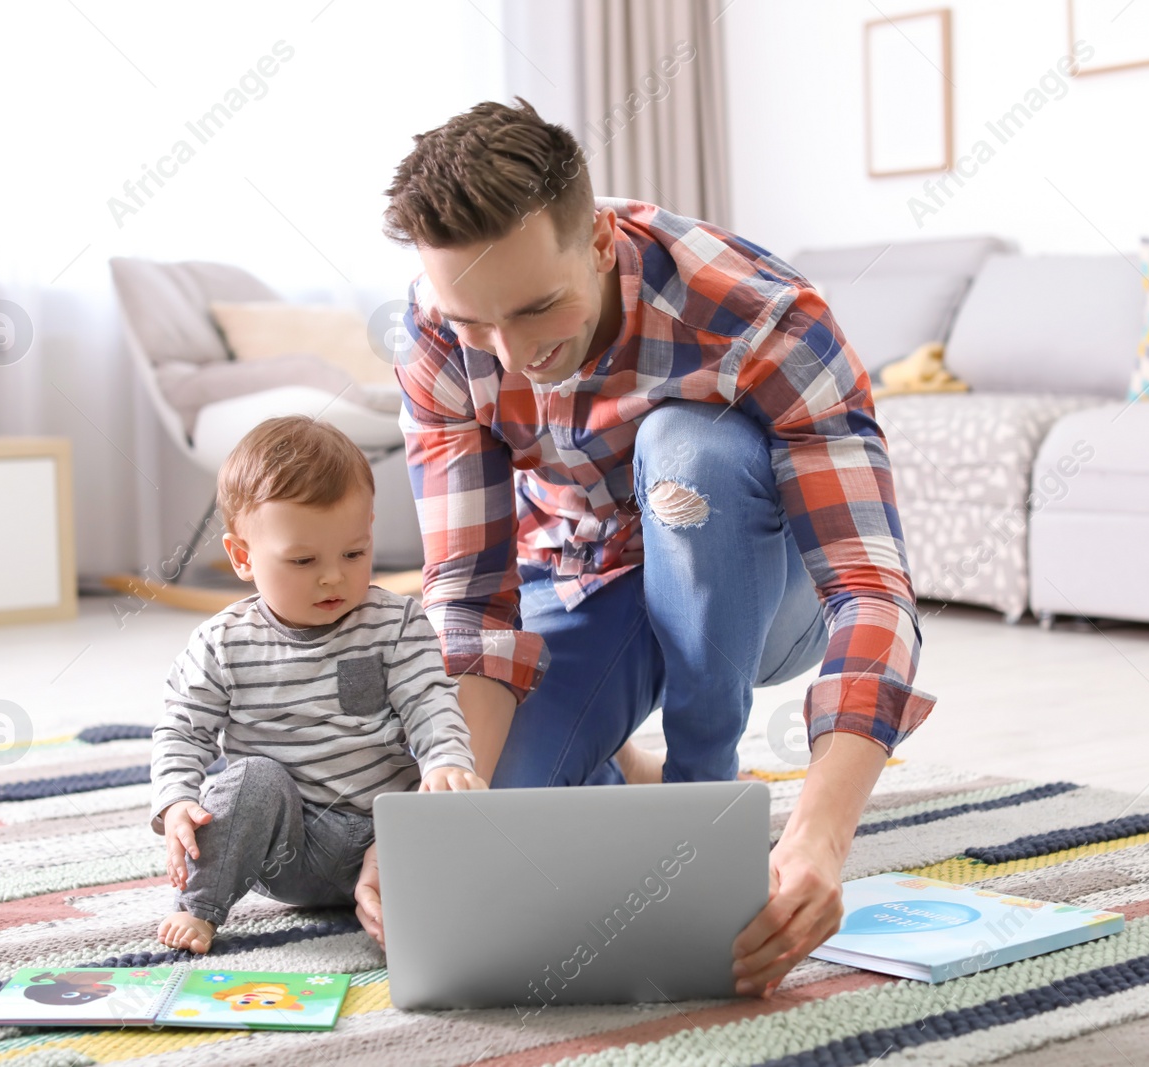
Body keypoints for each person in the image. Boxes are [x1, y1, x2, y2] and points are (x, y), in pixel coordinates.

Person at [357, 97, 936, 998]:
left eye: (536, 309)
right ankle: (628, 761)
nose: (511, 358)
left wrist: (819, 836)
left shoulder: (760, 316)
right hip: (586, 580)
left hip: (753, 588)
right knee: (487, 852)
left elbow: (869, 585)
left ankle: (708, 790)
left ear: (595, 240)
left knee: (685, 451)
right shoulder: (435, 330)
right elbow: (470, 598)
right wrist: (437, 824)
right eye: (476, 325)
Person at [150, 415, 483, 954]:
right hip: (289, 848)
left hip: (387, 838)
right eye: (303, 561)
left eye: (353, 553)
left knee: (461, 809)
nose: (333, 576)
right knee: (250, 780)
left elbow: (429, 700)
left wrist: (447, 759)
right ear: (242, 557)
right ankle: (201, 907)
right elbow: (181, 730)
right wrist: (176, 801)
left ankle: (411, 904)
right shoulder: (221, 642)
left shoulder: (395, 623)